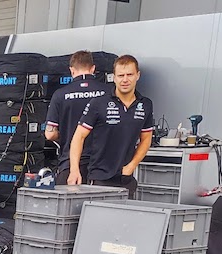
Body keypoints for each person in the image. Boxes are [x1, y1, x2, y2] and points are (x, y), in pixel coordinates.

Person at [68, 54, 154, 199]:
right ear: (114, 77)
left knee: (125, 221)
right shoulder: (98, 103)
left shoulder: (145, 104)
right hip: (100, 177)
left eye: (129, 75)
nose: (125, 79)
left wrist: (131, 166)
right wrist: (74, 169)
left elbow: (146, 139)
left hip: (126, 177)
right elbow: (79, 136)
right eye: (120, 75)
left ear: (137, 75)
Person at [44, 51, 111, 186]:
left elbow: (50, 134)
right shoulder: (109, 92)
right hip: (103, 166)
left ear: (72, 70)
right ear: (93, 69)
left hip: (70, 165)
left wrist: (64, 135)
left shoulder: (60, 94)